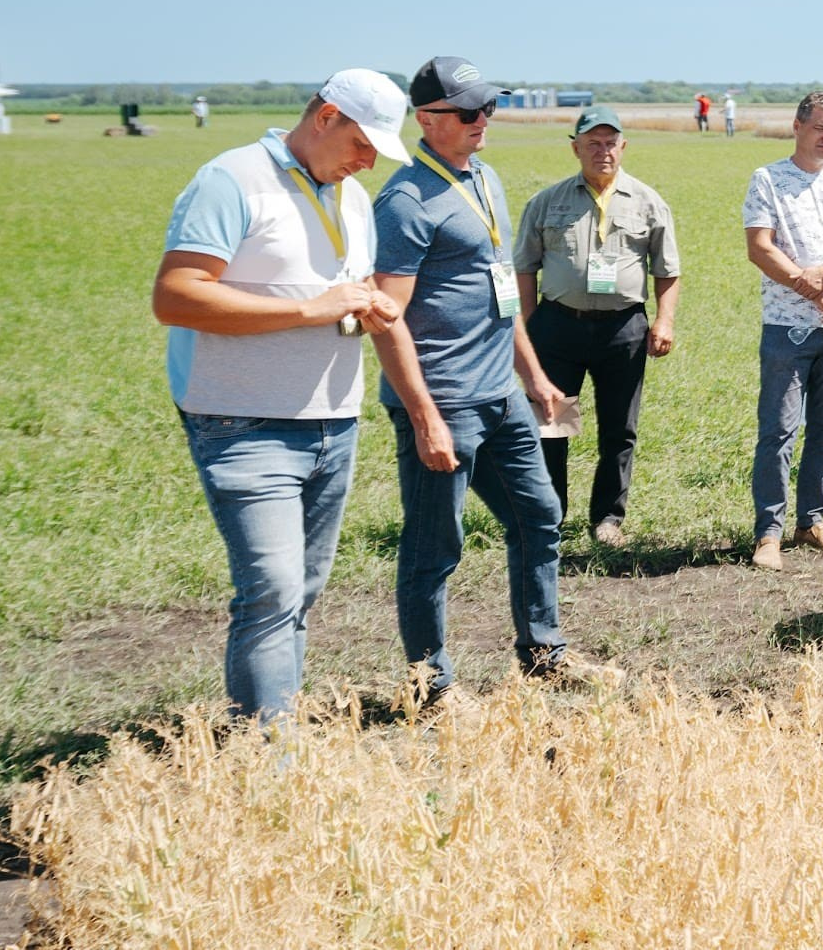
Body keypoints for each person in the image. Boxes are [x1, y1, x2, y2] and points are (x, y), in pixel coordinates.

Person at [150, 70, 409, 719]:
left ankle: (271, 726)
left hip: (333, 421)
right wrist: (310, 309)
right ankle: (269, 760)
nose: (370, 159)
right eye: (362, 141)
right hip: (242, 420)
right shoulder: (231, 179)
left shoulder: (350, 197)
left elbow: (333, 295)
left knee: (301, 591)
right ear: (325, 116)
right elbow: (176, 295)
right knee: (272, 588)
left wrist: (360, 309)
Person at [370, 57, 610, 696]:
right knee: (434, 549)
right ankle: (432, 688)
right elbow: (386, 318)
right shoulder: (404, 200)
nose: (485, 121)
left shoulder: (485, 180)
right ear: (426, 119)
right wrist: (424, 418)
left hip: (500, 394)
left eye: (489, 109)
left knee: (540, 516)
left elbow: (502, 296)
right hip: (444, 401)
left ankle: (543, 649)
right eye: (470, 112)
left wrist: (532, 376)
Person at [513, 105, 682, 545]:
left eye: (610, 143)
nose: (602, 151)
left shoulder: (648, 202)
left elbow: (667, 270)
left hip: (622, 330)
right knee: (552, 422)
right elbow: (524, 268)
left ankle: (608, 518)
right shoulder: (547, 202)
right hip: (558, 328)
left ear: (623, 147)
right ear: (576, 148)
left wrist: (663, 321)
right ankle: (549, 514)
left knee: (618, 428)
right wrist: (531, 325)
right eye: (593, 143)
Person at [741, 92, 823, 570]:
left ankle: (812, 520)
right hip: (787, 328)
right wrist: (811, 290)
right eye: (820, 128)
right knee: (778, 431)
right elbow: (760, 248)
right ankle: (768, 533)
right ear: (797, 126)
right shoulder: (768, 179)